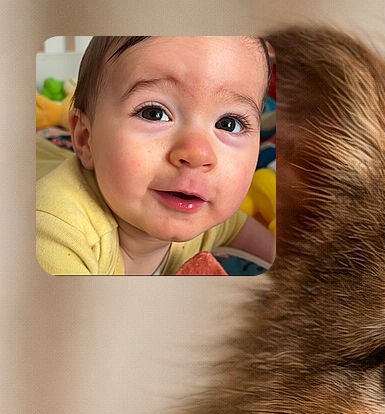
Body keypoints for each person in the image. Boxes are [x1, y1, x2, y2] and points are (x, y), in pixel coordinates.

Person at [36, 36, 276, 275]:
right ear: (85, 138)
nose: (197, 153)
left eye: (229, 123)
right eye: (154, 113)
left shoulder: (200, 210)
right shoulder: (55, 231)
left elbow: (242, 230)